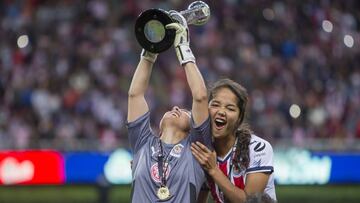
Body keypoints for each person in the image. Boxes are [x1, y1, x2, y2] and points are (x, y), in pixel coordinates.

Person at [127, 12, 212, 202]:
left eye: (184, 111)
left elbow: (200, 97)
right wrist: (150, 49)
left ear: (194, 127)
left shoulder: (196, 149)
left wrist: (183, 47)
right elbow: (135, 95)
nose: (175, 108)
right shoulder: (143, 143)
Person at [191, 79, 277, 203]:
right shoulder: (204, 151)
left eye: (230, 108)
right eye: (215, 105)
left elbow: (250, 201)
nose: (221, 112)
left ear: (239, 118)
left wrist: (214, 169)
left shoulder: (258, 148)